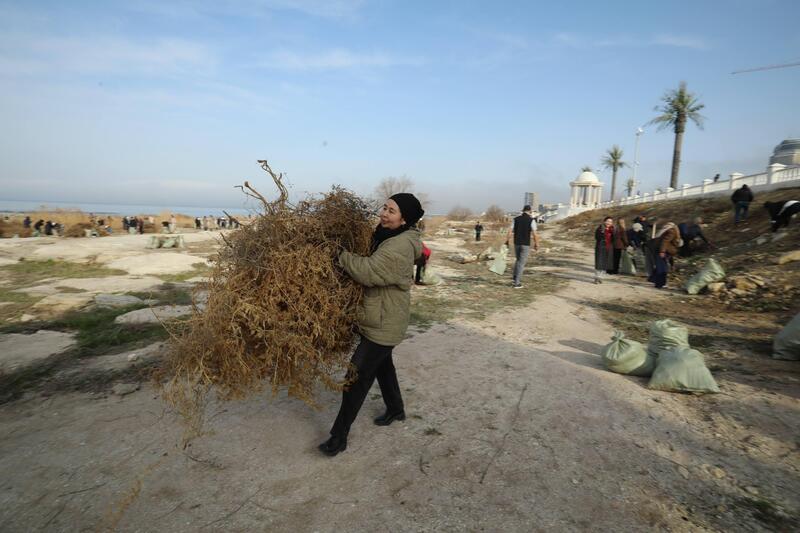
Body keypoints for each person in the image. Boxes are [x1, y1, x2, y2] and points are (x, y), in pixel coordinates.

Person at [319, 193, 424, 457]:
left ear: (404, 219)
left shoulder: (398, 246)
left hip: (384, 323)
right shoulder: (388, 237)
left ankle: (338, 437)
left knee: (357, 376)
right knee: (382, 367)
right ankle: (396, 409)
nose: (383, 213)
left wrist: (340, 255)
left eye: (391, 211)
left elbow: (368, 271)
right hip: (382, 317)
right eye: (384, 208)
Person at [505, 205, 539, 289]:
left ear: (523, 210)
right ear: (530, 211)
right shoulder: (531, 220)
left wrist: (507, 241)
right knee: (521, 263)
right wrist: (536, 244)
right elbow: (535, 234)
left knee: (518, 260)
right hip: (525, 244)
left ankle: (514, 278)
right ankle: (517, 283)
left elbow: (510, 231)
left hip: (516, 243)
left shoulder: (515, 219)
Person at [649, 222, 682, 289]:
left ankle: (656, 281)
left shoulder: (665, 231)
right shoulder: (672, 231)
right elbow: (665, 241)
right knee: (662, 268)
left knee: (660, 267)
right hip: (661, 251)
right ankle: (660, 284)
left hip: (658, 250)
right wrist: (662, 251)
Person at [594, 216, 615, 284]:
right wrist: (603, 233)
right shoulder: (600, 229)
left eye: (611, 222)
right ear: (604, 221)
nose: (609, 223)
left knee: (606, 264)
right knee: (599, 263)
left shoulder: (613, 230)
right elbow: (597, 237)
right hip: (601, 247)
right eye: (608, 221)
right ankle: (597, 277)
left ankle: (601, 277)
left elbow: (615, 239)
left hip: (609, 248)